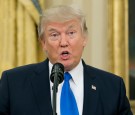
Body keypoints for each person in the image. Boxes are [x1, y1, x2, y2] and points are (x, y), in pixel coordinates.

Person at [0, 5, 133, 115]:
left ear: (84, 38)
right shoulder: (13, 83)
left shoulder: (112, 87)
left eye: (71, 33)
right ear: (43, 43)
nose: (63, 42)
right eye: (54, 35)